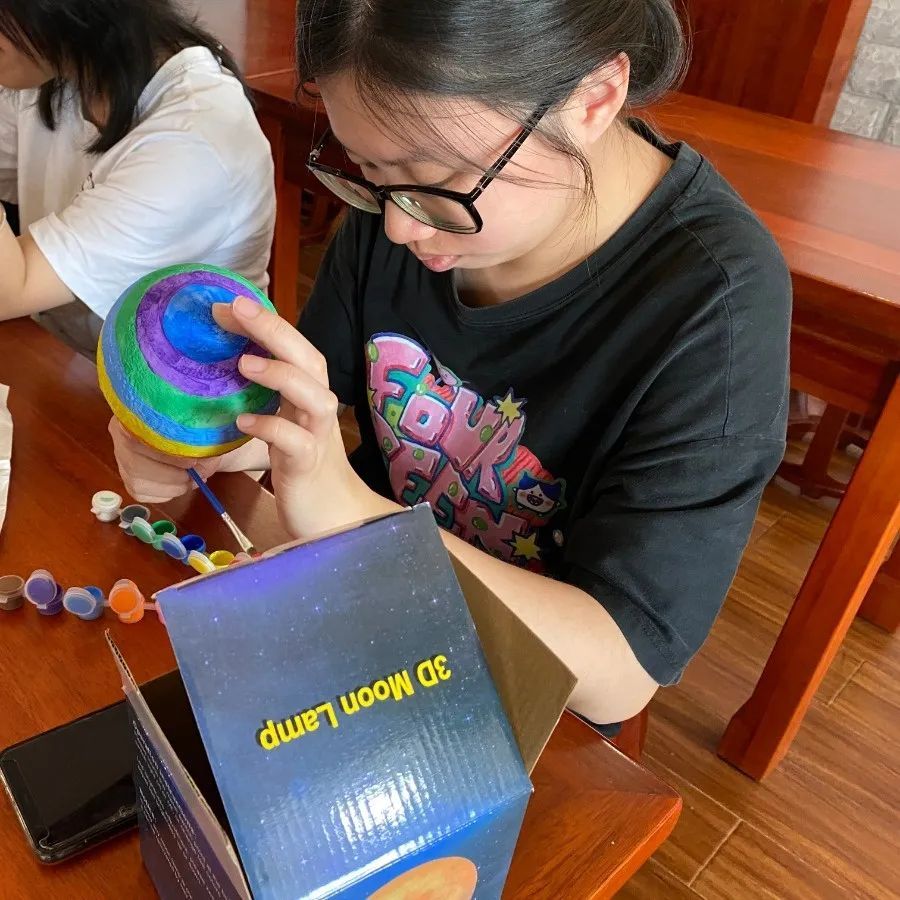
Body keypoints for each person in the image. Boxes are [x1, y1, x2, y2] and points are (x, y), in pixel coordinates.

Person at [112, 0, 792, 729]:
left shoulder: (716, 301)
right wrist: (214, 445)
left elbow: (621, 672)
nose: (398, 226)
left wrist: (354, 519)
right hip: (366, 623)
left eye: (437, 184)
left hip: (523, 709)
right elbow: (303, 434)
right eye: (369, 172)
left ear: (593, 98)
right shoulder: (405, 203)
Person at [0, 0, 275, 356]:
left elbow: (10, 289)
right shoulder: (54, 67)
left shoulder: (192, 141)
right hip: (65, 355)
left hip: (160, 388)